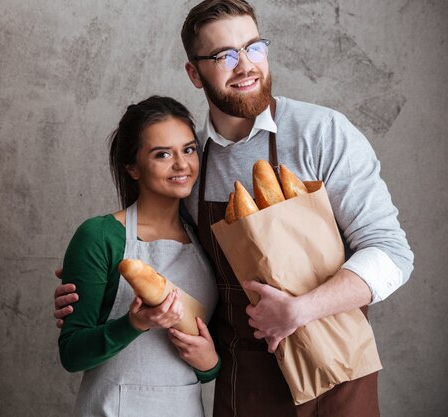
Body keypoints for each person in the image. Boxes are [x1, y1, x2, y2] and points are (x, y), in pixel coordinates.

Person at [54, 1, 414, 416]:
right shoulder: (191, 164)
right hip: (245, 382)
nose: (245, 66)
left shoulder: (322, 134)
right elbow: (168, 257)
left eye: (254, 48)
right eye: (225, 55)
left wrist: (299, 310)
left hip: (336, 372)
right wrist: (91, 286)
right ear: (194, 73)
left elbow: (392, 254)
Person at [58, 95, 219, 417]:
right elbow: (72, 355)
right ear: (132, 167)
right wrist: (135, 322)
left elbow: (215, 351)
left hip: (184, 407)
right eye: (162, 154)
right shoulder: (100, 236)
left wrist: (209, 363)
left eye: (188, 149)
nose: (182, 165)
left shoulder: (211, 238)